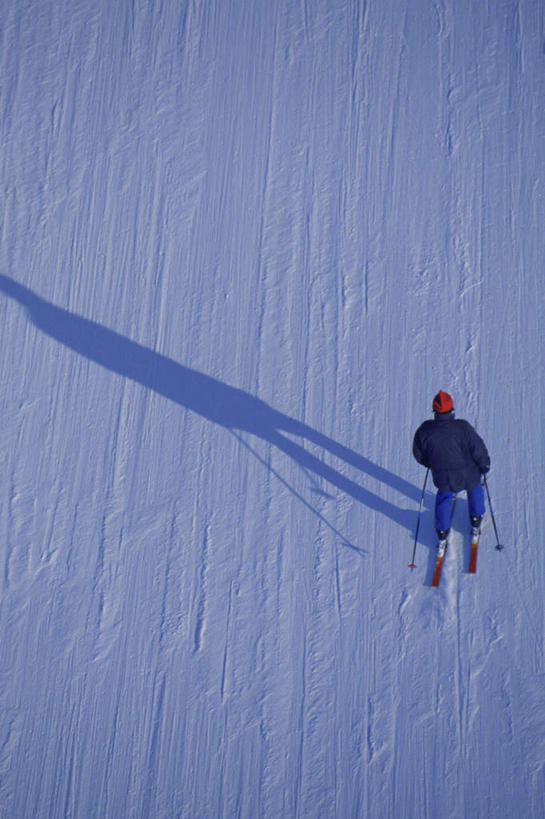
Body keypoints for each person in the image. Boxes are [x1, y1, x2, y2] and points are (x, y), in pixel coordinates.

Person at [412, 390, 490, 543]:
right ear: (451, 409)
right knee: (475, 488)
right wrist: (484, 465)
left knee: (444, 497)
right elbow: (478, 448)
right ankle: (476, 519)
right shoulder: (463, 427)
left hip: (443, 476)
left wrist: (431, 463)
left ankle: (442, 531)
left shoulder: (425, 430)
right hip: (467, 474)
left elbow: (418, 453)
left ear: (434, 410)